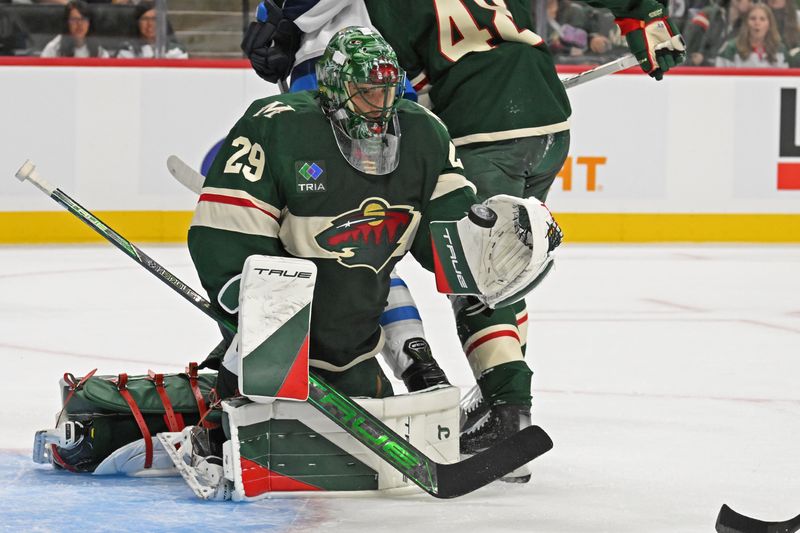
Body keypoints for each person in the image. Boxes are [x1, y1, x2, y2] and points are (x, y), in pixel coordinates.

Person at [241, 0, 686, 483]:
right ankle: (502, 399)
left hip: (482, 129)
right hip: (551, 123)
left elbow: (381, 92)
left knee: (476, 267)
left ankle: (508, 411)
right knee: (509, 262)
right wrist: (642, 11)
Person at [190, 26, 560, 411]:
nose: (379, 105)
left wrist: (488, 250)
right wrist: (257, 314)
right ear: (334, 87)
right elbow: (224, 232)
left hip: (357, 354)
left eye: (385, 92)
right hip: (276, 356)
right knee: (266, 421)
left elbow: (450, 235)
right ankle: (218, 416)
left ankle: (423, 370)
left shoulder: (424, 133)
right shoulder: (276, 126)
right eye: (366, 92)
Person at [716, 3, 788, 67]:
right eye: (753, 19)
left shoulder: (780, 49)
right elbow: (720, 78)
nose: (757, 23)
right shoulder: (731, 49)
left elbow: (786, 79)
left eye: (762, 19)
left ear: (769, 25)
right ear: (746, 23)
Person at [116, 1, 188, 59]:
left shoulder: (175, 50)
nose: (150, 24)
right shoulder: (126, 50)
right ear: (137, 23)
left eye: (154, 19)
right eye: (145, 19)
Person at [40, 0, 109, 58]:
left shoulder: (98, 50)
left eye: (84, 19)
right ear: (67, 23)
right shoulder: (54, 48)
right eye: (74, 19)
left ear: (89, 23)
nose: (79, 24)